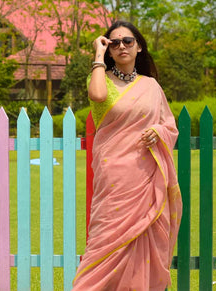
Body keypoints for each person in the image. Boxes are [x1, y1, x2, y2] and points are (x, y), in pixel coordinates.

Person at [72, 21, 182, 290]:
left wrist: (158, 131)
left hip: (144, 174)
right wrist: (98, 55)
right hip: (113, 176)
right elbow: (97, 96)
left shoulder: (152, 87)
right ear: (109, 50)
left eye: (128, 41)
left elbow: (169, 125)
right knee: (104, 240)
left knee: (142, 238)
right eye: (114, 42)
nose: (121, 46)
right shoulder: (100, 78)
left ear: (139, 47)